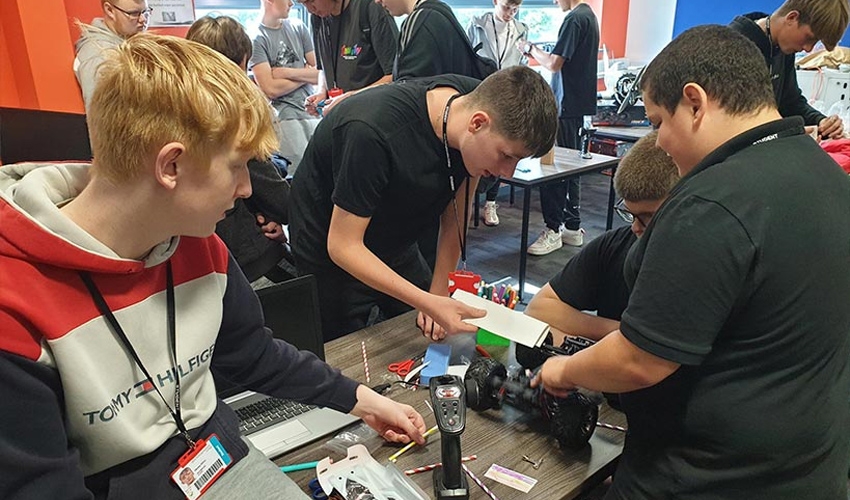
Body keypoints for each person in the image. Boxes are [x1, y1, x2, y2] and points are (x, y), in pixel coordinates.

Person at [0, 33, 425, 499]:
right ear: (171, 166)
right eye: (238, 166)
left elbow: (252, 354)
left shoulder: (199, 245)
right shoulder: (13, 304)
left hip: (215, 457)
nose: (247, 189)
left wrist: (362, 401)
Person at [532, 25, 850, 499]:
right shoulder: (825, 173)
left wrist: (564, 370)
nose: (658, 142)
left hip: (705, 480)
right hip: (807, 470)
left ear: (695, 102)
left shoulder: (711, 203)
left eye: (659, 122)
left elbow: (640, 360)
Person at [289, 66, 558, 341]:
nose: (508, 173)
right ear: (477, 123)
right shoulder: (372, 131)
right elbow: (343, 246)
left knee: (428, 328)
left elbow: (457, 211)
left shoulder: (477, 101)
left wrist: (438, 293)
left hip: (395, 236)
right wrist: (427, 301)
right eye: (506, 156)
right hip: (331, 246)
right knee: (344, 350)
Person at [523, 131, 677, 347]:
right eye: (630, 214)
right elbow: (539, 308)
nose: (635, 227)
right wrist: (627, 334)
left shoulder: (699, 269)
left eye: (647, 217)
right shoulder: (614, 247)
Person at [186, 15, 296, 288]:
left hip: (203, 260)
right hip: (250, 260)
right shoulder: (233, 116)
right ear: (237, 64)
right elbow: (281, 201)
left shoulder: (181, 108)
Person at [521, 0, 599, 255]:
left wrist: (530, 48)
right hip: (574, 107)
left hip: (565, 107)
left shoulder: (574, 19)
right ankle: (572, 228)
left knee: (554, 168)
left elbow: (554, 63)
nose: (554, 1)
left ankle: (553, 229)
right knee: (569, 168)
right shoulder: (588, 16)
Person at [729, 0, 848, 140]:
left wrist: (821, 122)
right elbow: (734, 121)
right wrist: (789, 133)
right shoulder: (733, 47)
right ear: (792, 18)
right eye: (809, 38)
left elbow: (791, 103)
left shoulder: (783, 48)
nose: (808, 48)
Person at [466, 0, 530, 227]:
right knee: (479, 147)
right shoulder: (477, 24)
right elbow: (468, 58)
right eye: (506, 7)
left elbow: (521, 64)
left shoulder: (521, 29)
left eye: (514, 9)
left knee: (502, 150)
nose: (510, 13)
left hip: (508, 96)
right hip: (481, 92)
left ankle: (491, 202)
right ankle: (468, 200)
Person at [252, 0, 321, 174]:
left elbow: (320, 75)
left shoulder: (299, 27)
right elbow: (270, 89)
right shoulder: (256, 38)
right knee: (297, 175)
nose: (291, 3)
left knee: (320, 172)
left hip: (312, 110)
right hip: (284, 118)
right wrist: (304, 73)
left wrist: (284, 72)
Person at [299, 0, 399, 116]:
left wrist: (351, 98)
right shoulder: (317, 18)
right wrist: (321, 92)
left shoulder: (371, 8)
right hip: (340, 117)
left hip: (374, 115)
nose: (310, 9)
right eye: (302, 3)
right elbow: (323, 69)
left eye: (311, 1)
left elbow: (395, 76)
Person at [74, 0, 151, 109]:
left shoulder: (128, 42)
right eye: (134, 14)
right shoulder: (99, 56)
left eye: (145, 11)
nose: (143, 19)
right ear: (109, 10)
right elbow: (100, 115)